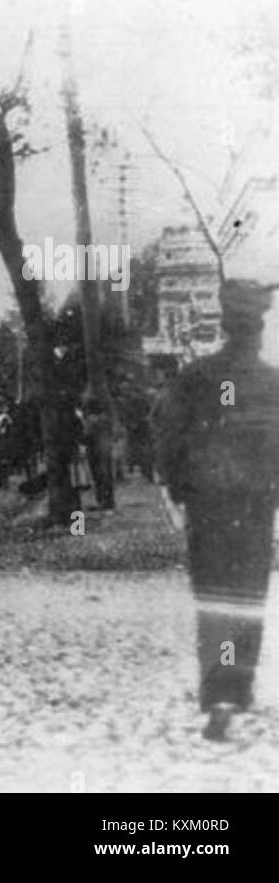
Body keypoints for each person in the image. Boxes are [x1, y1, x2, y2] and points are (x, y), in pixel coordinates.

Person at [156, 279, 279, 741]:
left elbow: (170, 440)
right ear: (259, 330)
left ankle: (219, 692)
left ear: (225, 326)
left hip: (209, 510)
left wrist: (176, 488)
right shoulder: (274, 383)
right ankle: (236, 688)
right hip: (255, 508)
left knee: (214, 599)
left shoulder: (195, 378)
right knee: (247, 597)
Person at [81, 395, 115, 510]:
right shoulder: (105, 419)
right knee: (106, 475)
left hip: (94, 451)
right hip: (105, 450)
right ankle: (109, 501)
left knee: (98, 477)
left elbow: (86, 437)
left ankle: (101, 500)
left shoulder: (90, 421)